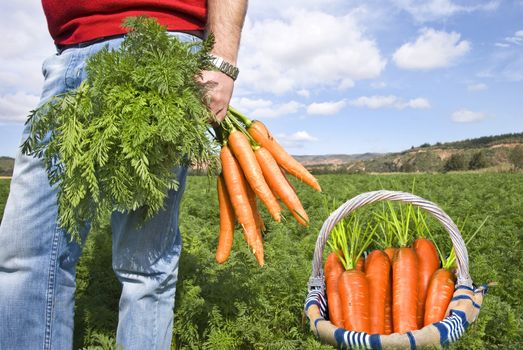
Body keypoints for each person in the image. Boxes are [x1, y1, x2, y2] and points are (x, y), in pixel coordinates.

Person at [0, 1, 247, 349]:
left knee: (145, 266)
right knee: (27, 255)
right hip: (69, 53)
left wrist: (221, 60)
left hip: (163, 47)